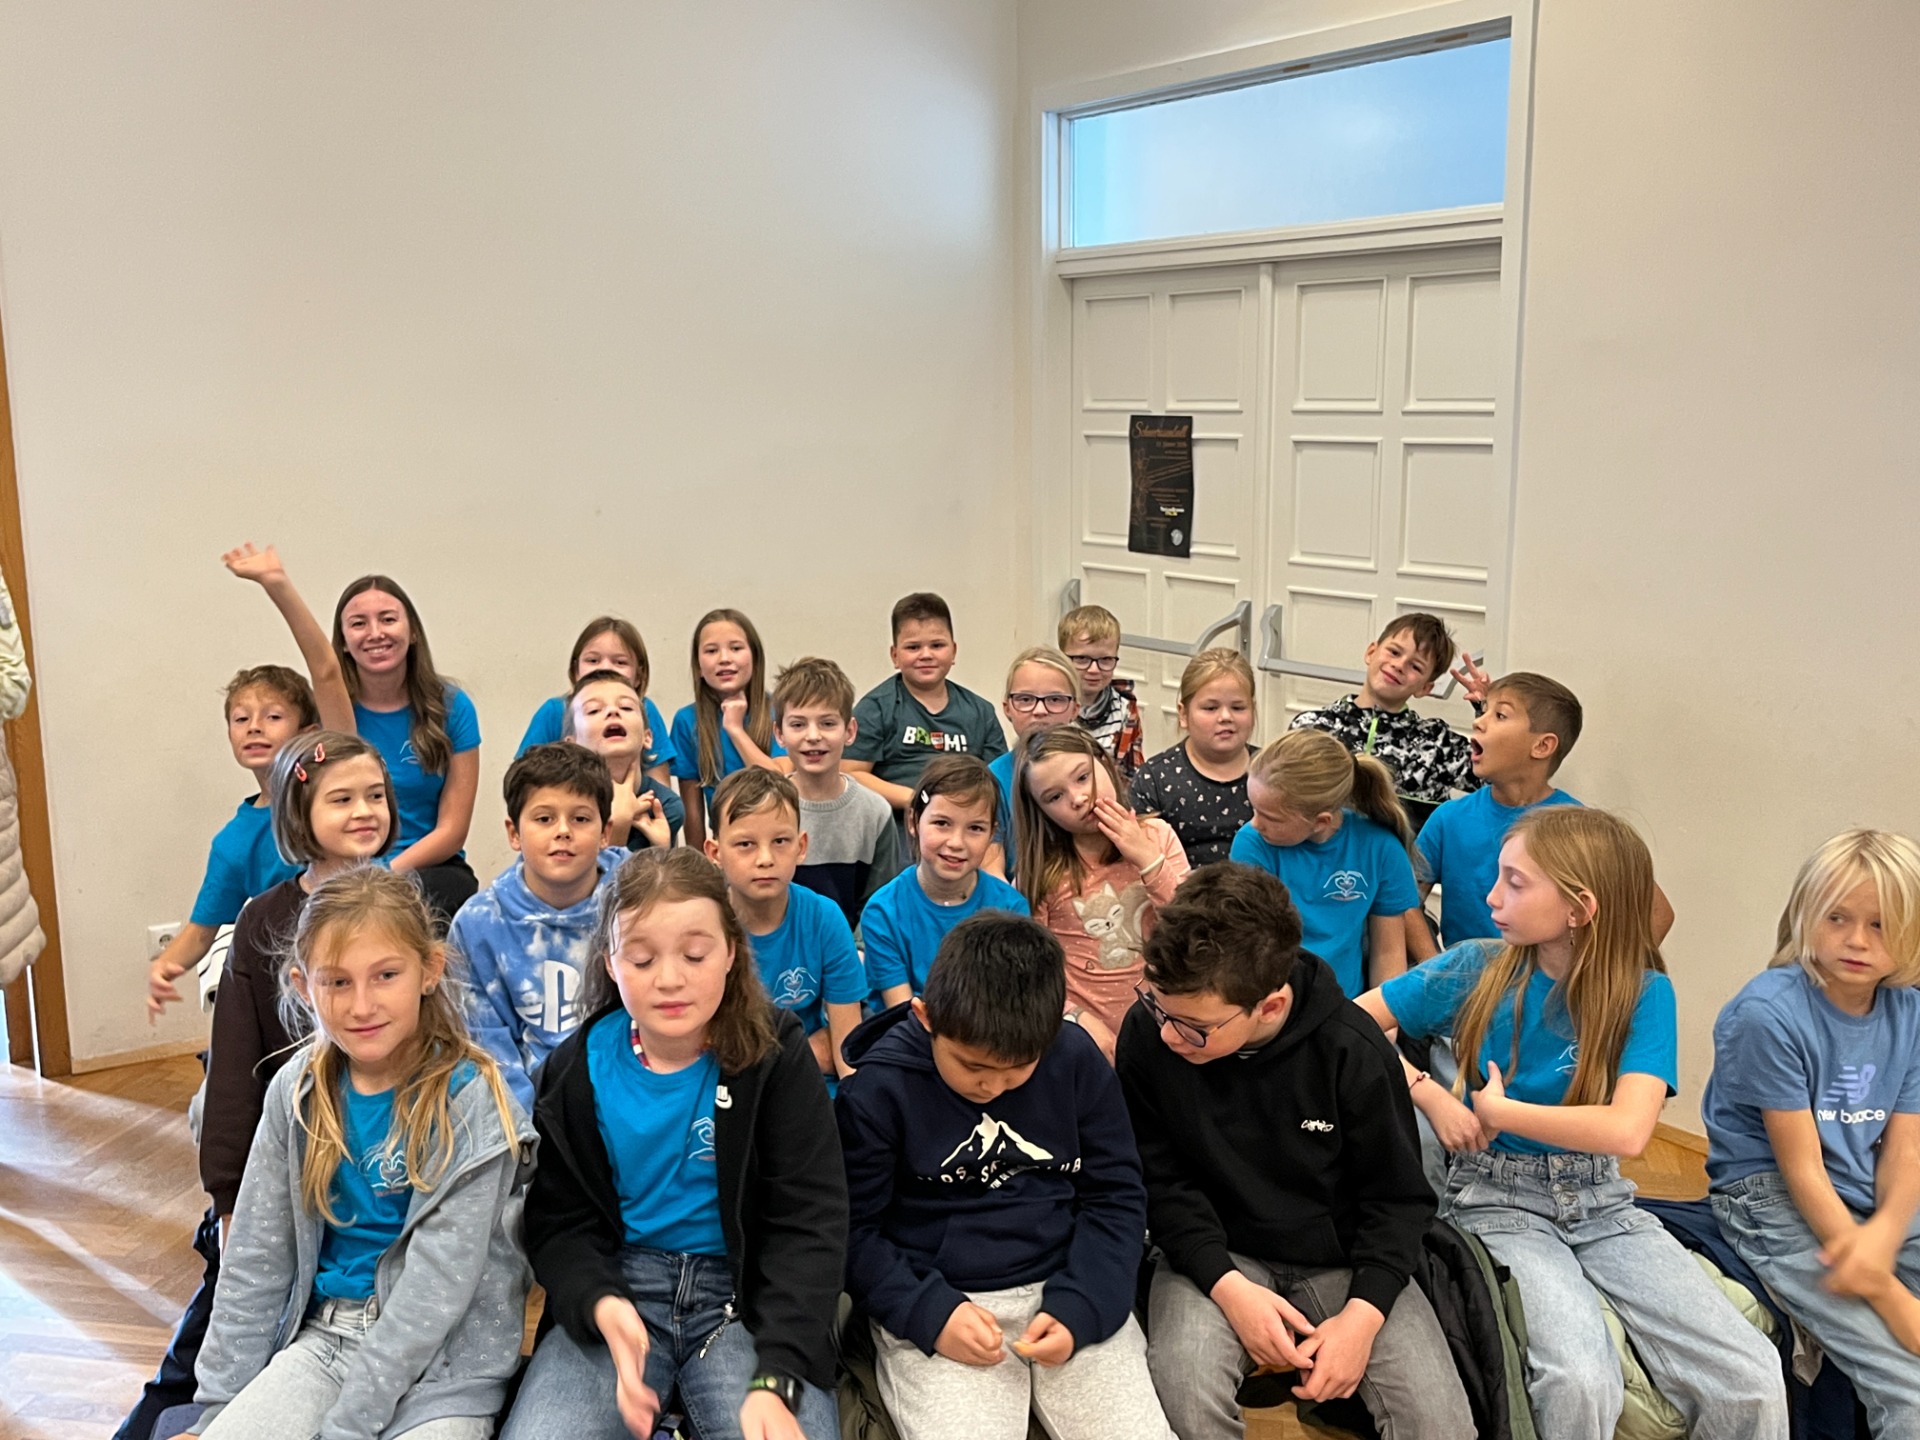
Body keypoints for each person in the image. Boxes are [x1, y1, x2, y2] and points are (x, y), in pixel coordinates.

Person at [1358, 806, 1786, 1440]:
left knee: (1753, 1376)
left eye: (1515, 882)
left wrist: (1500, 1111)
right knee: (1579, 1379)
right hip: (1497, 1198)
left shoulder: (1644, 992)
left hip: (1603, 1201)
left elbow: (1628, 1132)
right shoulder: (1474, 966)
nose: (1491, 896)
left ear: (1579, 908)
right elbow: (1347, 1026)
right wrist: (1430, 1095)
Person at [1116, 863, 1472, 1440]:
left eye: (1194, 1027)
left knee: (1441, 1425)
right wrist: (1228, 1287)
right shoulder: (1148, 1034)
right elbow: (1160, 1183)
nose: (1167, 1035)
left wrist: (1362, 1319)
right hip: (1216, 1256)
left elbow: (1398, 1202)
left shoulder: (1352, 1050)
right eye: (1158, 1007)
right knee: (1184, 1397)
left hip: (1345, 1262)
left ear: (1271, 1007)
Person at [177, 865, 533, 1439]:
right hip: (324, 1340)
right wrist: (218, 1411)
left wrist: (348, 1427)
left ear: (429, 970)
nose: (362, 1005)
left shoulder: (472, 1100)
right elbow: (255, 1264)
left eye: (385, 975)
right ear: (304, 986)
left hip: (444, 1369)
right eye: (338, 982)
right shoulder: (296, 1092)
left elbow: (433, 1295)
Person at [502, 849, 845, 1440]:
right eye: (641, 958)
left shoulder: (776, 1053)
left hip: (749, 1304)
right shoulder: (576, 1068)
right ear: (610, 962)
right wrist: (602, 1306)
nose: (668, 979)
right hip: (622, 1293)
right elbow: (559, 1223)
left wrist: (779, 1373)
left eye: (694, 954)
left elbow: (809, 1224)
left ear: (731, 952)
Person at [119, 731, 393, 1440]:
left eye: (376, 795)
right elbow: (235, 1074)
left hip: (377, 1176)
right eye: (342, 799)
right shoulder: (263, 919)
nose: (365, 810)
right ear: (300, 813)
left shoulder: (404, 904)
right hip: (284, 1171)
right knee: (221, 1322)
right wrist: (230, 1200)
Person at [837, 913, 1174, 1440]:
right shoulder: (878, 1091)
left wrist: (1085, 1303)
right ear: (926, 1017)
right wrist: (929, 1312)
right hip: (946, 1298)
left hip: (1070, 1278)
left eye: (1017, 1070)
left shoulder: (1076, 1060)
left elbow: (1117, 1197)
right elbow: (852, 1232)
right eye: (972, 1066)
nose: (991, 1087)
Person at [1706, 829, 1920, 1437]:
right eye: (1837, 918)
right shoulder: (1766, 1013)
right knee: (1909, 1386)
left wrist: (1884, 1234)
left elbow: (1906, 1148)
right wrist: (1889, 1295)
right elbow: (1800, 1167)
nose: (1857, 940)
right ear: (1805, 913)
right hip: (1771, 1194)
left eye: (1880, 925)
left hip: (1861, 1184)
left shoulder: (1910, 1012)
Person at [147, 543, 352, 1018]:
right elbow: (202, 929)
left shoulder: (329, 784)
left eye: (273, 716)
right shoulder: (234, 842)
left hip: (357, 954)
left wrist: (275, 584)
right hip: (293, 987)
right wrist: (164, 967)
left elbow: (326, 673)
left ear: (310, 733)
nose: (254, 727)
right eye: (241, 719)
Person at [1414, 671, 1673, 959]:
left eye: (1500, 715)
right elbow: (1405, 903)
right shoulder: (1448, 819)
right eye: (1484, 711)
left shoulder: (1579, 828)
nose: (1478, 722)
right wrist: (1434, 968)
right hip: (1466, 985)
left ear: (1542, 746)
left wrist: (1599, 975)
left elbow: (1658, 913)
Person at [450, 743, 632, 1112]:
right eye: (544, 819)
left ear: (605, 832)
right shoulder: (478, 924)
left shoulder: (638, 903)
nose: (563, 831)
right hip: (528, 1110)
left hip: (626, 1097)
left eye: (580, 819)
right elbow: (484, 1045)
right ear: (514, 833)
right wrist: (529, 1124)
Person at [1014, 726, 1188, 1057]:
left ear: (1104, 762)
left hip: (1168, 1027)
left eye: (1083, 777)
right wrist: (1074, 1017)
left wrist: (1147, 858)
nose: (1078, 798)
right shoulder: (1041, 872)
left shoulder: (1157, 836)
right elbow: (1030, 968)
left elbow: (1190, 928)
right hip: (1084, 1038)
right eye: (1055, 797)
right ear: (1040, 809)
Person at [1227, 730, 1421, 998]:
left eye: (1270, 817)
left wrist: (1377, 1017)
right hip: (1274, 1000)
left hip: (1346, 1003)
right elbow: (1251, 947)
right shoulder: (1253, 843)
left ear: (1321, 821)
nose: (1255, 823)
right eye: (1254, 809)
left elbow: (1388, 954)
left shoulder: (1380, 847)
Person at [332, 574, 481, 921]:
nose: (375, 633)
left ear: (412, 632)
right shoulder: (333, 711)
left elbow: (452, 830)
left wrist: (385, 874)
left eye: (388, 619)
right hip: (346, 864)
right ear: (343, 642)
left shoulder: (452, 706)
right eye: (358, 623)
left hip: (428, 867)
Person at [707, 768, 866, 1084]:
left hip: (808, 1082)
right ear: (715, 853)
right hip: (727, 1079)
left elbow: (846, 1053)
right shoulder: (703, 925)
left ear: (801, 846)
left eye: (780, 841)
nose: (765, 858)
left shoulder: (824, 918)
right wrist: (800, 1055)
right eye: (745, 844)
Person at [1289, 613, 1488, 831]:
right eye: (1394, 652)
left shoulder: (1437, 744)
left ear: (1425, 688)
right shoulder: (1311, 728)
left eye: (1416, 666)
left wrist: (1488, 710)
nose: (1399, 665)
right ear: (1371, 652)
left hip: (1404, 852)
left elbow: (1499, 778)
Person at [862, 756, 1030, 1007]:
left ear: (992, 834)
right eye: (942, 823)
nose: (956, 843)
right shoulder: (884, 911)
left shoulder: (1011, 910)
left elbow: (1010, 1004)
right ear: (913, 822)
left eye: (975, 828)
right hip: (909, 1027)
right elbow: (901, 1011)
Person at [845, 593, 1006, 817]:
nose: (926, 655)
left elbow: (998, 779)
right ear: (895, 655)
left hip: (964, 819)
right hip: (898, 824)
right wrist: (916, 799)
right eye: (913, 647)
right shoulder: (875, 708)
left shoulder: (981, 712)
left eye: (937, 645)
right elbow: (850, 774)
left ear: (954, 651)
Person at [773, 656, 900, 928]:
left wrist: (855, 948)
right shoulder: (766, 810)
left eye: (827, 723)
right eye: (798, 724)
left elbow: (880, 907)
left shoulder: (875, 813)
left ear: (850, 731)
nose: (813, 736)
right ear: (779, 734)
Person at [1128, 648, 1256, 869]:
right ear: (1183, 713)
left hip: (1260, 887)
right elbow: (1141, 859)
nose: (1226, 717)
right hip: (1178, 888)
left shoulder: (1273, 771)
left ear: (1253, 709)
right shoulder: (1155, 779)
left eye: (1238, 707)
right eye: (1210, 708)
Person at [670, 607, 785, 852]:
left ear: (755, 657)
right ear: (698, 666)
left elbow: (781, 783)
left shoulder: (781, 711)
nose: (724, 658)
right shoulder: (687, 721)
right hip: (726, 845)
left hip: (779, 839)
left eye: (735, 648)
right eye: (711, 651)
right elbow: (693, 813)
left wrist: (735, 730)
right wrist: (699, 863)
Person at [514, 616, 671, 788]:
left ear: (639, 676)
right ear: (576, 671)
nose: (605, 668)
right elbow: (523, 783)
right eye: (593, 660)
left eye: (620, 662)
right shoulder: (554, 711)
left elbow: (661, 786)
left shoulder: (646, 710)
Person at [982, 647, 1082, 880]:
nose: (1039, 710)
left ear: (1075, 709)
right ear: (1007, 708)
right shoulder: (992, 780)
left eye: (1055, 700)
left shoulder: (1094, 769)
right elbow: (991, 868)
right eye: (1025, 699)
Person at [566, 668, 679, 849]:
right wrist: (619, 824)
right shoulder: (561, 803)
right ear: (573, 744)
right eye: (593, 710)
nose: (612, 711)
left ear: (647, 738)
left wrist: (661, 849)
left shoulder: (663, 805)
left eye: (626, 707)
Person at [1057, 604, 1143, 784]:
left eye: (1105, 659)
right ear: (1063, 658)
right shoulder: (1051, 706)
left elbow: (1133, 773)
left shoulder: (1125, 709)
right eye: (1082, 659)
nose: (1094, 670)